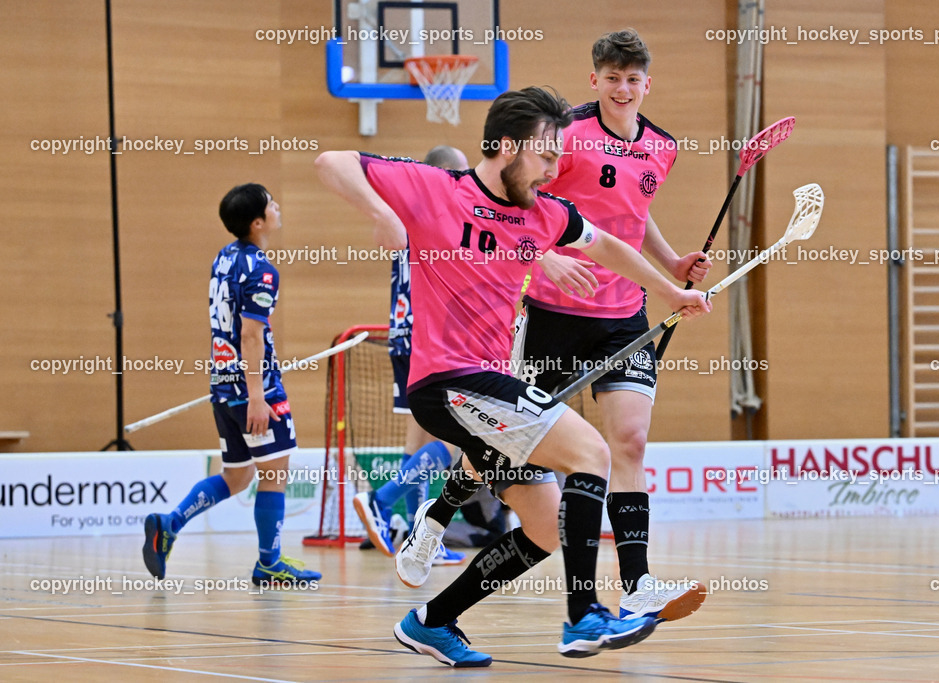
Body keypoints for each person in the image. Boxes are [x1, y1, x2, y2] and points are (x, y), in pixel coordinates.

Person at [315, 86, 711, 666]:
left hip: (489, 385)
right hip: (448, 378)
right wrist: (381, 214)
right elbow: (331, 161)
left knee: (547, 525)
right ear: (505, 147)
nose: (554, 169)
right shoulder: (435, 188)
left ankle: (433, 620)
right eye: (546, 155)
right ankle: (583, 616)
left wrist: (671, 290)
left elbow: (607, 247)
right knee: (592, 452)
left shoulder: (543, 214)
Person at [397, 28, 712, 624]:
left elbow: (632, 219)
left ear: (648, 83)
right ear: (594, 79)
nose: (623, 88)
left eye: (633, 79)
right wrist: (543, 256)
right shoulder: (562, 131)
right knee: (512, 444)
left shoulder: (662, 147)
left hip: (622, 314)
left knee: (630, 442)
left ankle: (637, 583)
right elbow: (513, 203)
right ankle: (437, 517)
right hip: (551, 311)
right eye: (612, 78)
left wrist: (669, 267)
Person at [142, 184, 321, 588]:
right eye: (271, 203)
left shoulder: (224, 258)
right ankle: (269, 564)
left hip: (222, 385)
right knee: (274, 475)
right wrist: (258, 396)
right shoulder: (261, 269)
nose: (278, 206)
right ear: (258, 222)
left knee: (237, 476)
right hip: (253, 389)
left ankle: (169, 524)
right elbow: (250, 337)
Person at [352, 146, 469, 568]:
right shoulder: (444, 213)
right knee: (458, 442)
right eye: (461, 172)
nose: (468, 179)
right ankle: (382, 501)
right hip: (432, 337)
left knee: (419, 439)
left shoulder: (408, 214)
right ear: (443, 175)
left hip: (405, 335)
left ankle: (422, 538)